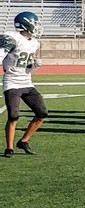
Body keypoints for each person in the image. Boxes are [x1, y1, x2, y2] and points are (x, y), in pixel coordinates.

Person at [1, 12, 48, 158]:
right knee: (14, 116)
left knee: (42, 114)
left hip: (27, 82)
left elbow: (26, 66)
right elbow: (2, 55)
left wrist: (33, 65)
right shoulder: (13, 37)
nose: (37, 26)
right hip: (12, 82)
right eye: (35, 23)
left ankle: (24, 140)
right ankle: (9, 148)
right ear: (26, 23)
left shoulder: (35, 43)